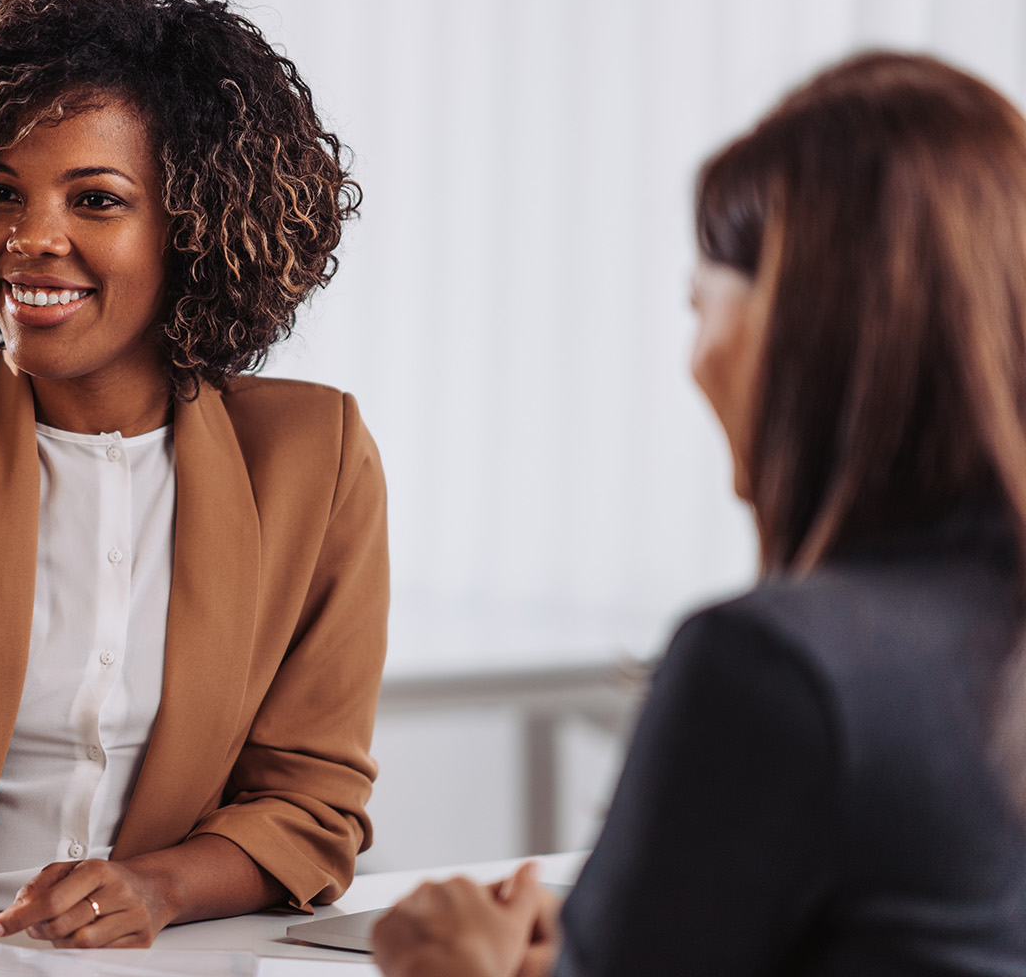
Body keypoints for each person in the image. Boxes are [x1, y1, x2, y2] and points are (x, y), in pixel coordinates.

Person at [371, 51, 1026, 977]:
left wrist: (461, 967)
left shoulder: (779, 669)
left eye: (699, 305)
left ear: (796, 324)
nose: (694, 357)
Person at [0, 0, 388, 949]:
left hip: (169, 953)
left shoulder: (312, 457)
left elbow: (309, 804)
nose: (29, 239)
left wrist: (154, 888)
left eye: (95, 200)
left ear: (190, 226)